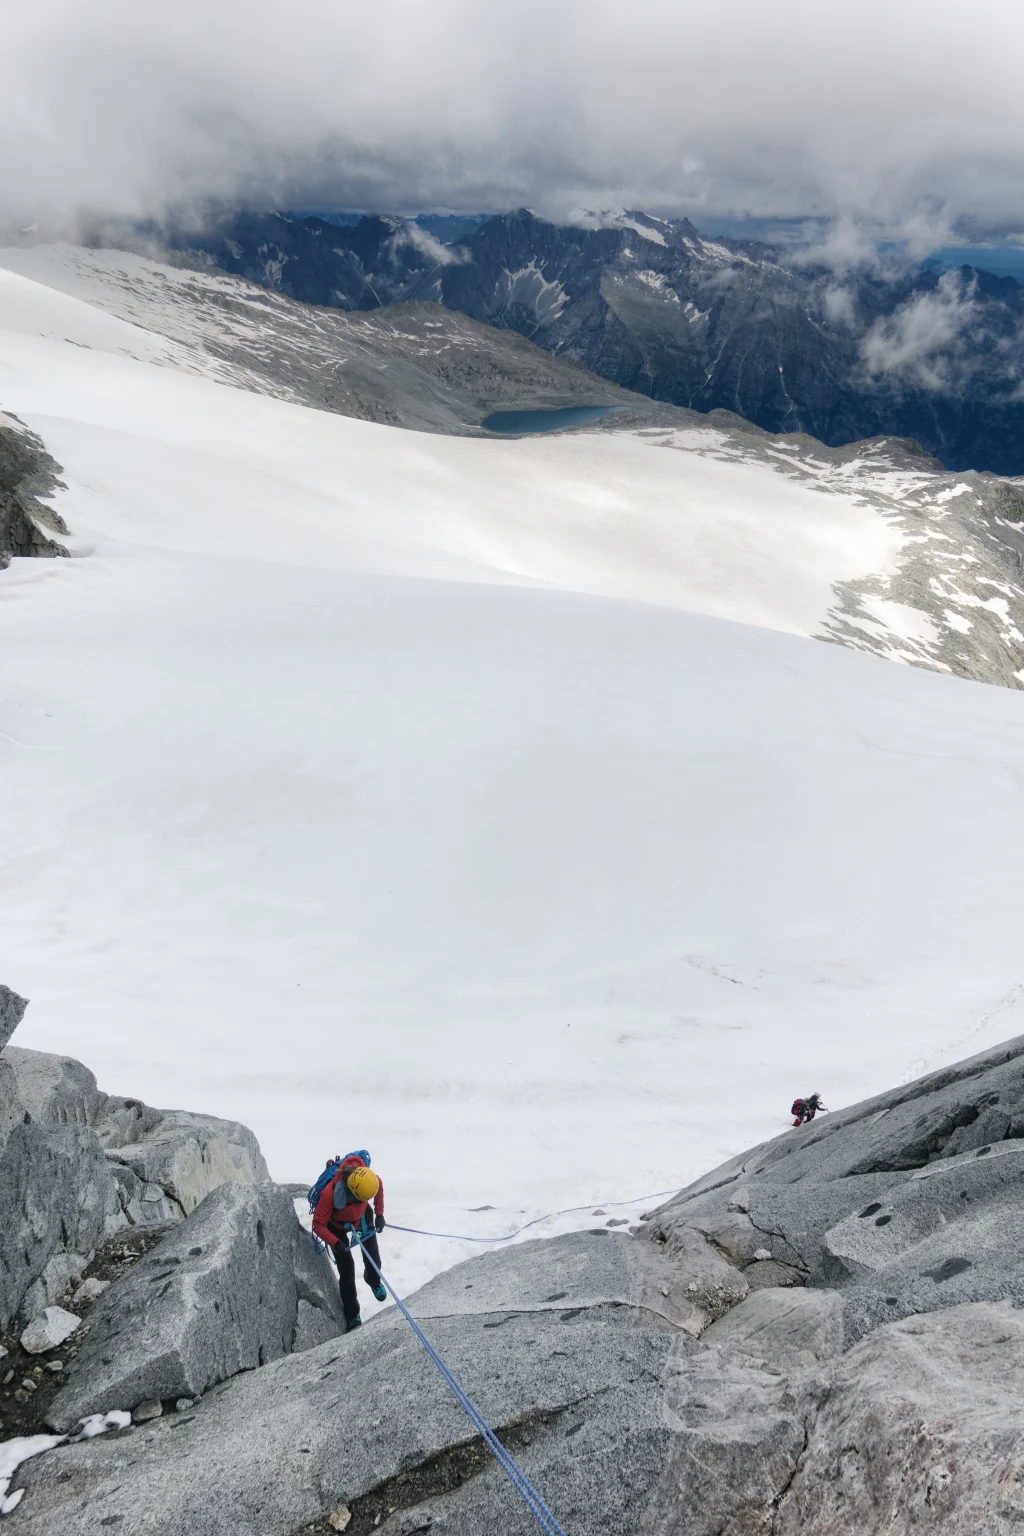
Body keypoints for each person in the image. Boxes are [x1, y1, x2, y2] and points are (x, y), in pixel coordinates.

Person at [312, 1152, 387, 1331]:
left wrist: (380, 1213)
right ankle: (352, 1313)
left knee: (373, 1258)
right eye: (362, 1199)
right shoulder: (329, 1194)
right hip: (336, 1225)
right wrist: (335, 1243)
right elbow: (318, 1224)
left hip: (361, 1218)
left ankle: (373, 1279)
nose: (365, 1200)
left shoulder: (368, 1180)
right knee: (347, 1270)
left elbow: (379, 1186)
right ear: (352, 1192)